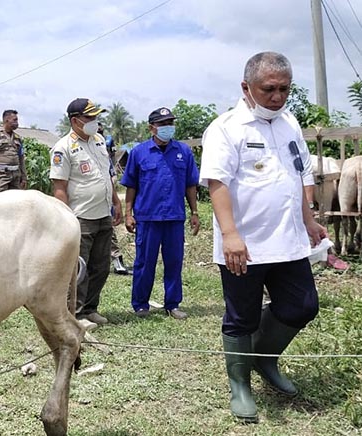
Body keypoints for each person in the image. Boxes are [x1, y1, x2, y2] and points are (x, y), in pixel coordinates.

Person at [199, 52, 327, 422]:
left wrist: (309, 221)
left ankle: (262, 357)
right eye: (268, 89)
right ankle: (240, 385)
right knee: (241, 317)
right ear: (246, 88)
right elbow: (217, 183)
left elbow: (294, 178)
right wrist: (230, 234)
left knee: (303, 305)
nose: (277, 97)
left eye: (284, 89)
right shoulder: (225, 127)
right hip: (245, 244)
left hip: (288, 240)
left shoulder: (289, 124)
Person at [50, 98, 123, 330]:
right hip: (80, 217)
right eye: (89, 118)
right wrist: (65, 219)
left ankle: (91, 308)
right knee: (78, 269)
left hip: (103, 213)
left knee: (100, 267)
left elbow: (107, 176)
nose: (94, 122)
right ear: (75, 121)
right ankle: (76, 312)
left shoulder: (99, 141)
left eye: (95, 117)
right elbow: (59, 188)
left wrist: (116, 203)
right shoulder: (63, 148)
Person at [121, 107, 200, 320]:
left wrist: (194, 212)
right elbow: (131, 186)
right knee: (144, 262)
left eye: (170, 123)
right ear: (151, 128)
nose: (168, 128)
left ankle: (172, 304)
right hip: (147, 217)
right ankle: (140, 304)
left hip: (174, 217)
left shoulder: (184, 152)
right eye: (163, 124)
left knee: (174, 261)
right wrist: (129, 214)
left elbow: (191, 185)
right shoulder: (139, 153)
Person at [96, 122, 130, 275]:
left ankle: (116, 261)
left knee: (108, 229)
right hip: (82, 204)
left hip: (104, 198)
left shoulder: (102, 148)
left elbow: (112, 175)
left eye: (100, 131)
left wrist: (115, 200)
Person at [0, 109, 27, 191]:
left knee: (15, 201)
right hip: (2, 175)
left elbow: (21, 158)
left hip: (16, 175)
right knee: (2, 201)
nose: (17, 123)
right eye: (14, 120)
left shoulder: (17, 138)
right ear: (6, 120)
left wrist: (24, 177)